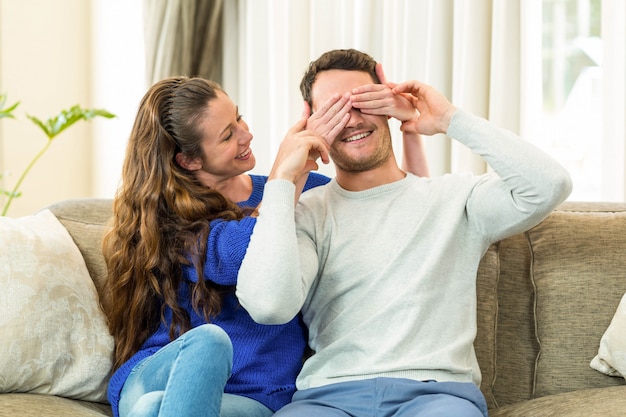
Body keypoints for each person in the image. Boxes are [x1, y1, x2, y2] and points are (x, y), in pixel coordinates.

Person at [236, 48, 573, 417]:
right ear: (310, 124)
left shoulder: (454, 199)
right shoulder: (306, 212)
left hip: (437, 398)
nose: (351, 121)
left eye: (364, 102)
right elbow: (268, 306)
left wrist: (449, 119)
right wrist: (284, 176)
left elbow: (549, 184)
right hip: (327, 398)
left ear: (388, 103)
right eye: (334, 111)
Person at [102, 75, 429, 417]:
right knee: (208, 344)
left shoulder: (310, 191)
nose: (247, 134)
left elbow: (401, 213)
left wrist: (410, 131)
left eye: (238, 118)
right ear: (189, 160)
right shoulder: (165, 219)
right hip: (155, 375)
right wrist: (284, 179)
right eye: (228, 135)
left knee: (154, 410)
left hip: (251, 396)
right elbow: (237, 257)